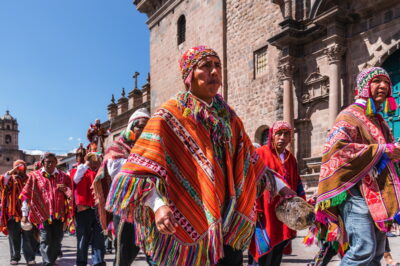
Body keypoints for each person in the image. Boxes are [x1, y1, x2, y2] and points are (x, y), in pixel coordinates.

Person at [106, 45, 296, 265]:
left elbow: (252, 162)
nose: (214, 71)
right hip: (184, 224)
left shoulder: (230, 119)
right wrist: (158, 206)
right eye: (205, 66)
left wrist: (282, 188)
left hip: (228, 223)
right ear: (189, 75)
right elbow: (141, 171)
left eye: (217, 65)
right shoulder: (168, 117)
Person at [314, 67, 400, 265]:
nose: (384, 86)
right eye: (377, 81)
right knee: (363, 249)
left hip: (378, 195)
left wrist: (394, 152)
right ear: (364, 86)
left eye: (387, 82)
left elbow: (387, 153)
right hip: (354, 193)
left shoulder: (380, 121)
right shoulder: (349, 116)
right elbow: (337, 150)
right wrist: (383, 150)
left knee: (377, 252)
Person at [93, 108, 150, 266]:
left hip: (149, 210)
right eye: (141, 126)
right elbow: (119, 170)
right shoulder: (117, 148)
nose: (145, 131)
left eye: (149, 127)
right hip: (126, 210)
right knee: (124, 255)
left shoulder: (153, 148)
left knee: (155, 254)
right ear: (132, 127)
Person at [249, 121, 306, 265]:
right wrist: (256, 208)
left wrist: (302, 204)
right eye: (279, 133)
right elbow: (251, 181)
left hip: (285, 214)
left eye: (286, 134)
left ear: (290, 137)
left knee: (278, 251)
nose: (282, 137)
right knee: (261, 252)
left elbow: (297, 183)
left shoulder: (290, 158)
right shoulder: (260, 153)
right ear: (272, 136)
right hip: (264, 213)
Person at [20, 152, 73, 266]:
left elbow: (71, 194)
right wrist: (24, 214)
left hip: (59, 214)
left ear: (56, 162)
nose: (50, 164)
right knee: (45, 238)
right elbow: (26, 194)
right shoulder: (34, 176)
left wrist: (65, 189)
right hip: (41, 214)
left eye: (53, 161)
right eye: (47, 162)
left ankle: (52, 260)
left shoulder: (64, 176)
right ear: (43, 162)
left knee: (57, 239)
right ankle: (47, 262)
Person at [71, 152, 105, 266]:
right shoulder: (79, 170)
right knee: (83, 239)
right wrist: (86, 164)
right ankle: (81, 263)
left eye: (97, 160)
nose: (95, 162)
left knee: (99, 239)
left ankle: (98, 262)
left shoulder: (102, 172)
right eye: (93, 160)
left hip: (99, 210)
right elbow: (75, 180)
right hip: (84, 210)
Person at [0, 160, 37, 265]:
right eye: (17, 166)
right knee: (14, 237)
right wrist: (12, 171)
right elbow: (2, 180)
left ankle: (30, 258)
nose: (20, 168)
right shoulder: (10, 179)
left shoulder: (29, 179)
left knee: (28, 237)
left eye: (21, 166)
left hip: (28, 214)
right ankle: (15, 258)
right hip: (13, 213)